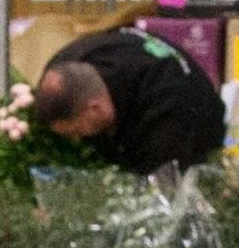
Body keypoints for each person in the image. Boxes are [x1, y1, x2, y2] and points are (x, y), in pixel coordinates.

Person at [29, 20, 227, 176]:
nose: (76, 138)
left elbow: (162, 188)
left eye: (75, 130)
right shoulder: (66, 64)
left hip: (196, 124)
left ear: (94, 109)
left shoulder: (167, 114)